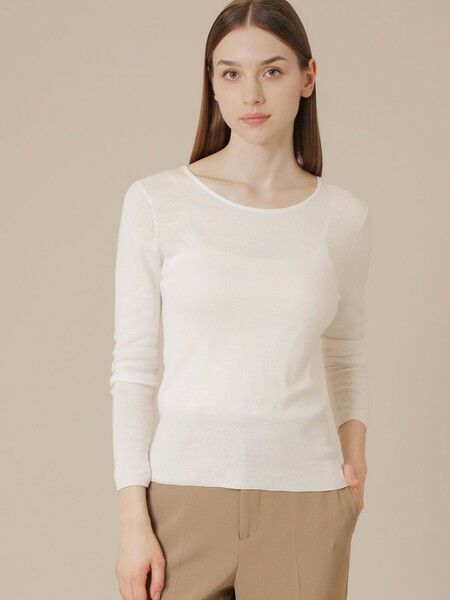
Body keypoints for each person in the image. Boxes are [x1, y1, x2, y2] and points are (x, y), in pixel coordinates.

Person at [110, 1, 372, 598]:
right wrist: (133, 519)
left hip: (307, 500)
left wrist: (354, 455)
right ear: (212, 83)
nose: (251, 93)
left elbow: (347, 349)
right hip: (181, 500)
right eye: (230, 73)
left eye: (272, 71)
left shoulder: (343, 217)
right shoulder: (157, 203)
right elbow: (134, 369)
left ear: (307, 77)